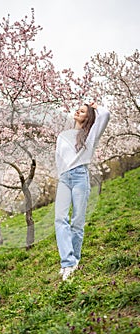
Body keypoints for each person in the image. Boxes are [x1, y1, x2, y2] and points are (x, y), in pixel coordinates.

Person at [55, 101, 110, 281]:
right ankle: (67, 262)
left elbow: (106, 114)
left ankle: (73, 261)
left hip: (80, 177)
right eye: (79, 109)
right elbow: (58, 158)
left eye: (84, 111)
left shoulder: (91, 134)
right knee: (60, 219)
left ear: (89, 117)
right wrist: (61, 173)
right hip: (64, 178)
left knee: (77, 221)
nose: (79, 111)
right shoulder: (63, 136)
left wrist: (95, 106)